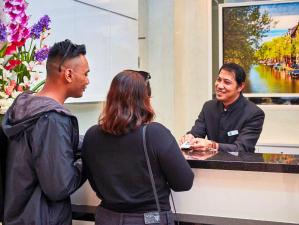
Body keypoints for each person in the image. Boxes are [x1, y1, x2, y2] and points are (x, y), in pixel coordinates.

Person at [82, 70, 194, 225]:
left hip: (107, 218)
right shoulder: (155, 134)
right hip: (147, 220)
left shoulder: (92, 135)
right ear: (145, 100)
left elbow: (94, 182)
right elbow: (184, 182)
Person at [1, 39, 89, 225]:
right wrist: (87, 160)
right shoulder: (53, 119)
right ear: (69, 75)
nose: (88, 80)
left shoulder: (22, 107)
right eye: (86, 74)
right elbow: (59, 186)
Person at [179, 63, 265, 153]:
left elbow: (242, 148)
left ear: (240, 87)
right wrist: (190, 137)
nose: (219, 86)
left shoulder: (254, 113)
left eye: (227, 82)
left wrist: (213, 145)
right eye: (219, 80)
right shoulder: (208, 107)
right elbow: (197, 132)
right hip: (210, 164)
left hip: (239, 165)